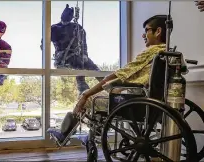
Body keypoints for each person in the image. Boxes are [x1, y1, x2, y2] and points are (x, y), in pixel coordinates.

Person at [47, 15, 170, 146]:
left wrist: (87, 93)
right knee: (100, 96)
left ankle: (65, 135)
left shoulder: (151, 52)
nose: (143, 35)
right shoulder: (168, 53)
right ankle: (90, 136)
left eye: (147, 30)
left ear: (158, 32)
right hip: (153, 101)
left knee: (89, 98)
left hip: (135, 103)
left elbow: (118, 74)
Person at [41, 4, 104, 96]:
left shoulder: (77, 27)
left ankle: (107, 83)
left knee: (93, 67)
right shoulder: (54, 29)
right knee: (79, 64)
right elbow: (45, 43)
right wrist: (44, 47)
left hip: (77, 55)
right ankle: (83, 88)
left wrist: (85, 54)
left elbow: (83, 44)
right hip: (63, 58)